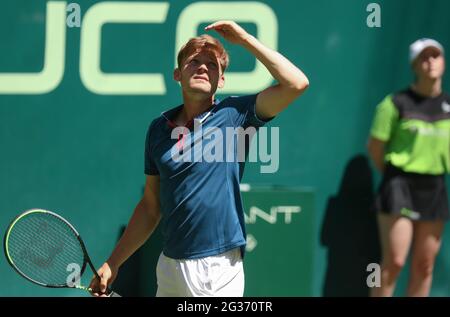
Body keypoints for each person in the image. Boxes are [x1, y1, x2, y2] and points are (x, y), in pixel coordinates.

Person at [89, 21, 309, 297]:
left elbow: (296, 84)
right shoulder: (158, 128)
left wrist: (245, 40)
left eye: (212, 64)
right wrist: (113, 261)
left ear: (222, 80)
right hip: (169, 265)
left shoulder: (235, 115)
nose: (203, 67)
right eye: (194, 61)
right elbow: (150, 206)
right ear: (178, 74)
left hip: (216, 266)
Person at [368, 38, 449, 297]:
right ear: (414, 65)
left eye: (435, 56)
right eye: (424, 58)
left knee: (425, 266)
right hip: (399, 185)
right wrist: (394, 176)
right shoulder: (394, 103)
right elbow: (375, 148)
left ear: (443, 62)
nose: (430, 62)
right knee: (395, 262)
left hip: (435, 187)